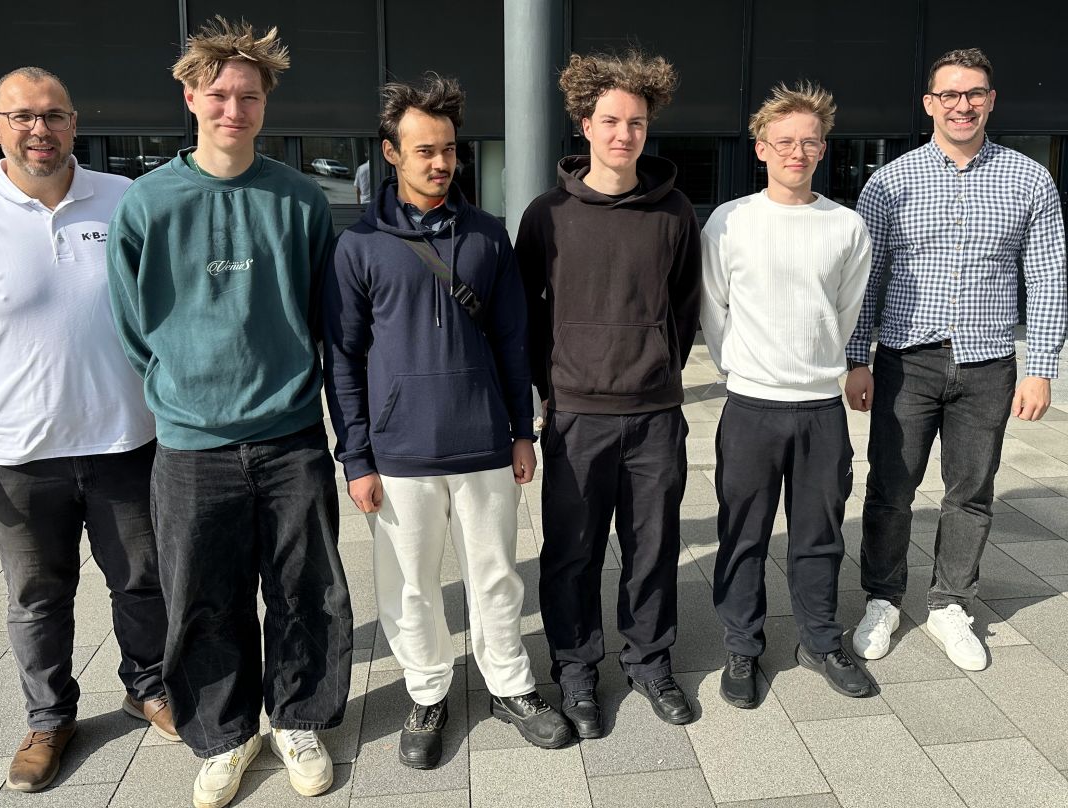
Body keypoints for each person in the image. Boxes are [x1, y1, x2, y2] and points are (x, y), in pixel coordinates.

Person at [0, 66, 177, 794]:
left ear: (75, 123)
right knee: (37, 598)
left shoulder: (125, 199)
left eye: (53, 115)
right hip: (16, 456)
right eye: (21, 116)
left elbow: (166, 310)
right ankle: (50, 719)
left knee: (143, 581)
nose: (38, 129)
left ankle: (150, 688)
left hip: (125, 442)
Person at [106, 18, 351, 807]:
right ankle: (224, 733)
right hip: (191, 444)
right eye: (218, 95)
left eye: (248, 97)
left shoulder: (300, 200)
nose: (233, 110)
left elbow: (322, 314)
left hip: (289, 435)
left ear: (265, 104)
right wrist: (179, 389)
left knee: (305, 590)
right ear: (190, 98)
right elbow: (132, 326)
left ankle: (299, 719)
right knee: (203, 597)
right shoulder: (148, 204)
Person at [325, 74, 571, 769]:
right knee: (409, 585)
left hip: (485, 444)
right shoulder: (358, 246)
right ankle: (427, 692)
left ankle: (510, 685)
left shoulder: (488, 236)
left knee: (496, 576)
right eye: (425, 150)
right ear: (391, 153)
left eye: (450, 150)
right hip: (399, 454)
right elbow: (342, 359)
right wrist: (357, 458)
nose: (441, 163)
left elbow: (514, 342)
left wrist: (521, 431)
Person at [846, 47, 1067, 672]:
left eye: (973, 94)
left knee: (970, 491)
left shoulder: (1030, 179)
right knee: (891, 488)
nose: (961, 105)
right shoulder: (889, 182)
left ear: (991, 101)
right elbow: (867, 276)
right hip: (906, 361)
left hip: (988, 363)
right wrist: (856, 357)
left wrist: (1040, 366)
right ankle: (883, 599)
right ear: (929, 103)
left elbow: (1046, 276)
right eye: (949, 94)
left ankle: (950, 603)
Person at [515, 51, 702, 737]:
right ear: (585, 125)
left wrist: (658, 367)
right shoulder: (547, 214)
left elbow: (684, 307)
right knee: (573, 552)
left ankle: (650, 661)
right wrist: (549, 387)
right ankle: (575, 669)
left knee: (652, 546)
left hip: (654, 415)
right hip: (576, 415)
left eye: (637, 123)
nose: (625, 134)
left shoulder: (674, 211)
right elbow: (527, 313)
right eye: (611, 121)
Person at [701, 82, 873, 709]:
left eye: (808, 142)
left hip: (820, 409)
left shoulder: (846, 226)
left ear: (823, 149)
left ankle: (821, 641)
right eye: (784, 142)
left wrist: (818, 366)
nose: (796, 152)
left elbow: (845, 312)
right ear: (760, 148)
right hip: (750, 407)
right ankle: (742, 647)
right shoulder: (730, 222)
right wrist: (742, 368)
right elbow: (713, 308)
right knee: (742, 534)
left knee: (819, 534)